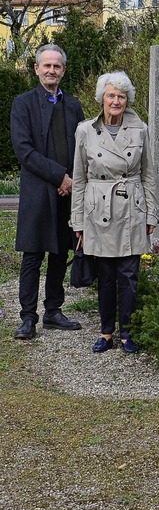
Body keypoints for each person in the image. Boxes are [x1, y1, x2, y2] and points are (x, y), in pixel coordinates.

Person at [71, 71, 159, 354]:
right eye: (111, 95)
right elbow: (79, 179)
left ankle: (128, 333)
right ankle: (106, 332)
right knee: (106, 276)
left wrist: (151, 213)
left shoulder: (141, 130)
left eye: (121, 96)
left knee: (129, 276)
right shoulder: (85, 130)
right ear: (102, 98)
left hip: (131, 209)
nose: (116, 101)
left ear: (127, 100)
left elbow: (149, 175)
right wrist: (78, 221)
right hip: (99, 211)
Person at [11, 44, 85, 340]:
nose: (51, 70)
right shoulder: (23, 103)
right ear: (36, 69)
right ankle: (28, 317)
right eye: (47, 66)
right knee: (33, 255)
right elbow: (24, 151)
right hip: (38, 192)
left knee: (59, 252)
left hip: (67, 193)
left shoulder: (74, 105)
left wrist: (73, 181)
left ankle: (53, 311)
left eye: (57, 66)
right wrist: (60, 177)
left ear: (63, 71)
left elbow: (82, 148)